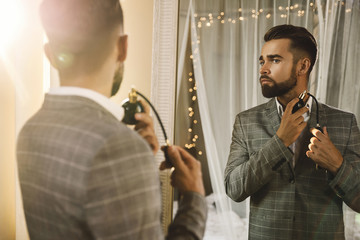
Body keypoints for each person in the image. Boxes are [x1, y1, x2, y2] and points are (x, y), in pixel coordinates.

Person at [17, 0, 207, 239]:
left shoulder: (30, 130)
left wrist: (139, 163)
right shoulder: (119, 147)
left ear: (50, 55)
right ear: (123, 47)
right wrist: (194, 199)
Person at [224, 24, 360, 240]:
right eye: (262, 60)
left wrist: (337, 164)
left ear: (302, 66)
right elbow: (234, 189)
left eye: (274, 60)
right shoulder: (246, 122)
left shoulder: (344, 122)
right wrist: (279, 142)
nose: (263, 69)